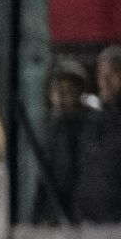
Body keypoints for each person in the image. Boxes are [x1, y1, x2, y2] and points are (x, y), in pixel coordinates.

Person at [31, 61, 88, 226]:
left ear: (79, 94)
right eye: (56, 91)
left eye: (67, 91)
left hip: (79, 219)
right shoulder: (51, 129)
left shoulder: (88, 129)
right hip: (53, 217)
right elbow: (44, 177)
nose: (60, 98)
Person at [72, 45, 121, 225]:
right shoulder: (88, 119)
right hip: (87, 222)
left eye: (113, 73)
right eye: (101, 74)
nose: (105, 81)